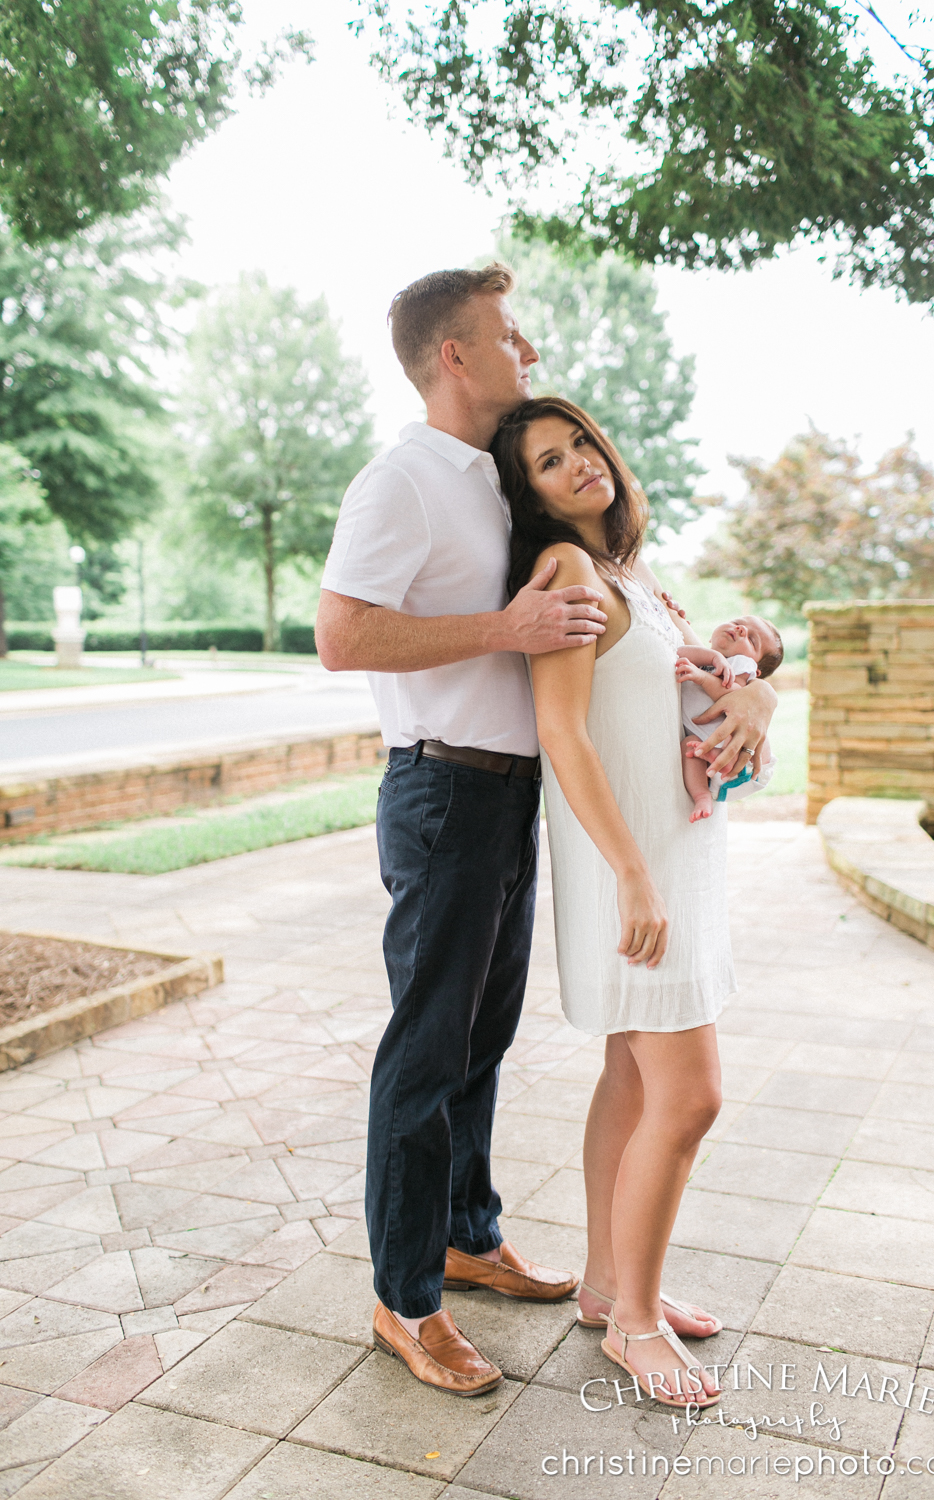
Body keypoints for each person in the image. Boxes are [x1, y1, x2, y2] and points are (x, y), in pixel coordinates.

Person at [315, 267, 774, 1397]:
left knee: (481, 1043)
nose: (528, 346)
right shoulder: (402, 483)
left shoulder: (492, 481)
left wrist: (753, 667)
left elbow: (623, 651)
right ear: (455, 354)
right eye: (508, 335)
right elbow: (339, 636)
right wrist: (505, 625)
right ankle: (405, 1298)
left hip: (516, 799)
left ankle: (468, 1233)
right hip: (442, 792)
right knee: (425, 1050)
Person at [490, 395, 777, 1409]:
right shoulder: (564, 573)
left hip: (669, 855)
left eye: (580, 446)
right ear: (528, 497)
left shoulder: (628, 574)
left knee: (629, 1068)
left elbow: (668, 699)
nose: (576, 466)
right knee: (689, 1096)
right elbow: (563, 733)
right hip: (632, 867)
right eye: (547, 463)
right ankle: (637, 1328)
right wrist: (630, 874)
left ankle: (610, 1286)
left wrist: (751, 667)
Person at [675, 617, 783, 819]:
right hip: (708, 744)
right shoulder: (708, 657)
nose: (741, 629)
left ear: (755, 669)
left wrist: (702, 677)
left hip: (744, 756)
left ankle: (721, 758)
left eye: (752, 640)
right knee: (690, 747)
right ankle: (701, 795)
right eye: (737, 622)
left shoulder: (740, 665)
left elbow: (733, 695)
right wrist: (710, 655)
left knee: (734, 741)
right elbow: (677, 652)